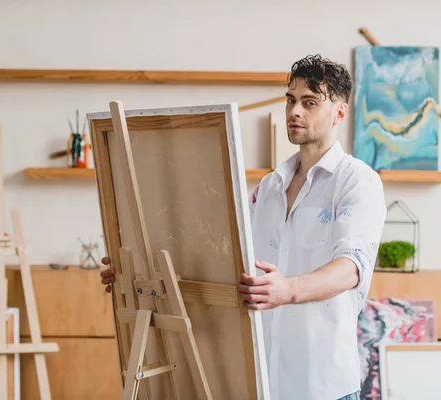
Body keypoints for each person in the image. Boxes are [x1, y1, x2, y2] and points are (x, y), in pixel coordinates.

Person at [100, 54, 386, 400]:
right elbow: (225, 259)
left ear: (339, 113)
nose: (295, 111)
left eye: (310, 103)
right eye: (291, 100)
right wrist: (137, 270)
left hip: (322, 385)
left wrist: (288, 290)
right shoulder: (268, 188)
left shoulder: (357, 182)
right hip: (259, 382)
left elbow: (351, 268)